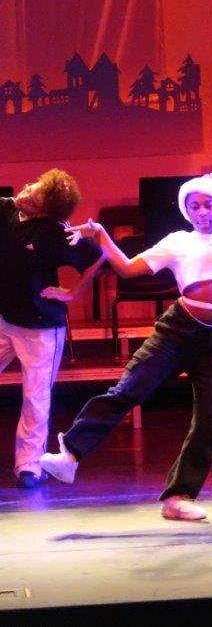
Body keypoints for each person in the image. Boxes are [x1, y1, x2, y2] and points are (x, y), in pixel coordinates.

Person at [40, 174, 212, 521]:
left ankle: (180, 496)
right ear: (186, 211)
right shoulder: (177, 241)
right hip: (179, 330)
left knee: (210, 418)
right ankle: (70, 452)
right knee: (128, 390)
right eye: (194, 206)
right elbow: (129, 269)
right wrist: (101, 236)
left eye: (208, 204)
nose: (201, 211)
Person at [0, 170, 102, 489]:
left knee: (36, 396)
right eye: (33, 185)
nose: (28, 192)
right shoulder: (4, 209)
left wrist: (74, 293)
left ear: (46, 210)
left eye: (39, 195)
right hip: (4, 319)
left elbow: (97, 258)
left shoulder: (55, 233)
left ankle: (29, 466)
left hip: (42, 327)